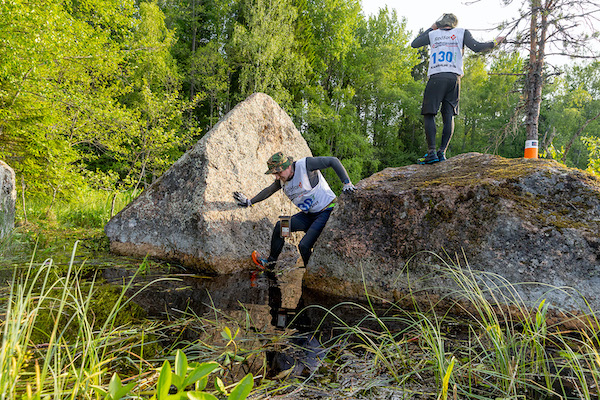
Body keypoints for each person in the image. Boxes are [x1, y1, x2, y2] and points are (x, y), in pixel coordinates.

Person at [233, 152, 356, 269]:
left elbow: (333, 161)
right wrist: (249, 202)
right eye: (274, 174)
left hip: (326, 210)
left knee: (303, 246)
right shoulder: (282, 181)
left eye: (279, 172)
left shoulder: (305, 165)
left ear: (288, 166)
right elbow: (268, 191)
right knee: (281, 227)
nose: (277, 177)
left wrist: (347, 183)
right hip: (309, 215)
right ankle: (270, 264)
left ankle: (310, 274)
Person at [411, 13, 504, 164]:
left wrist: (432, 27)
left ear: (440, 23)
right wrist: (495, 42)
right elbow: (477, 47)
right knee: (448, 115)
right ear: (454, 24)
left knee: (429, 114)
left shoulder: (433, 34)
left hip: (437, 76)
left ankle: (431, 152)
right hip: (454, 78)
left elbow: (414, 43)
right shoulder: (462, 33)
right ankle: (442, 152)